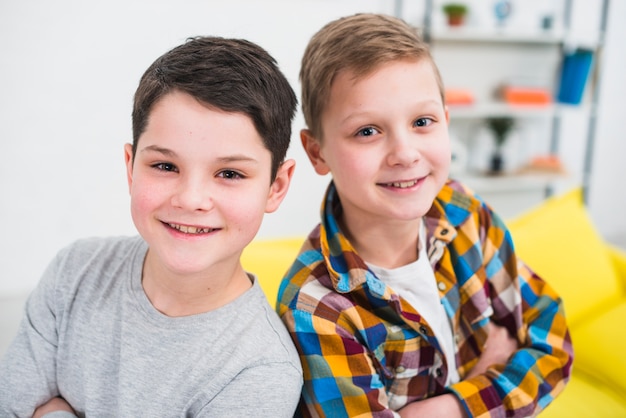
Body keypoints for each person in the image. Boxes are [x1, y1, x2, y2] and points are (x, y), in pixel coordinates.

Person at [277, 13, 573, 418]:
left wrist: (440, 409)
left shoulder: (464, 213)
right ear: (317, 152)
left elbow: (554, 343)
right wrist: (488, 375)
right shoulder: (316, 309)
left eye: (422, 122)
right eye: (367, 131)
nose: (405, 153)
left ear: (445, 124)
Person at [0, 36, 302, 417]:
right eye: (165, 166)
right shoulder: (74, 272)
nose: (191, 198)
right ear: (130, 166)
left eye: (229, 173)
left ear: (277, 186)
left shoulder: (261, 372)